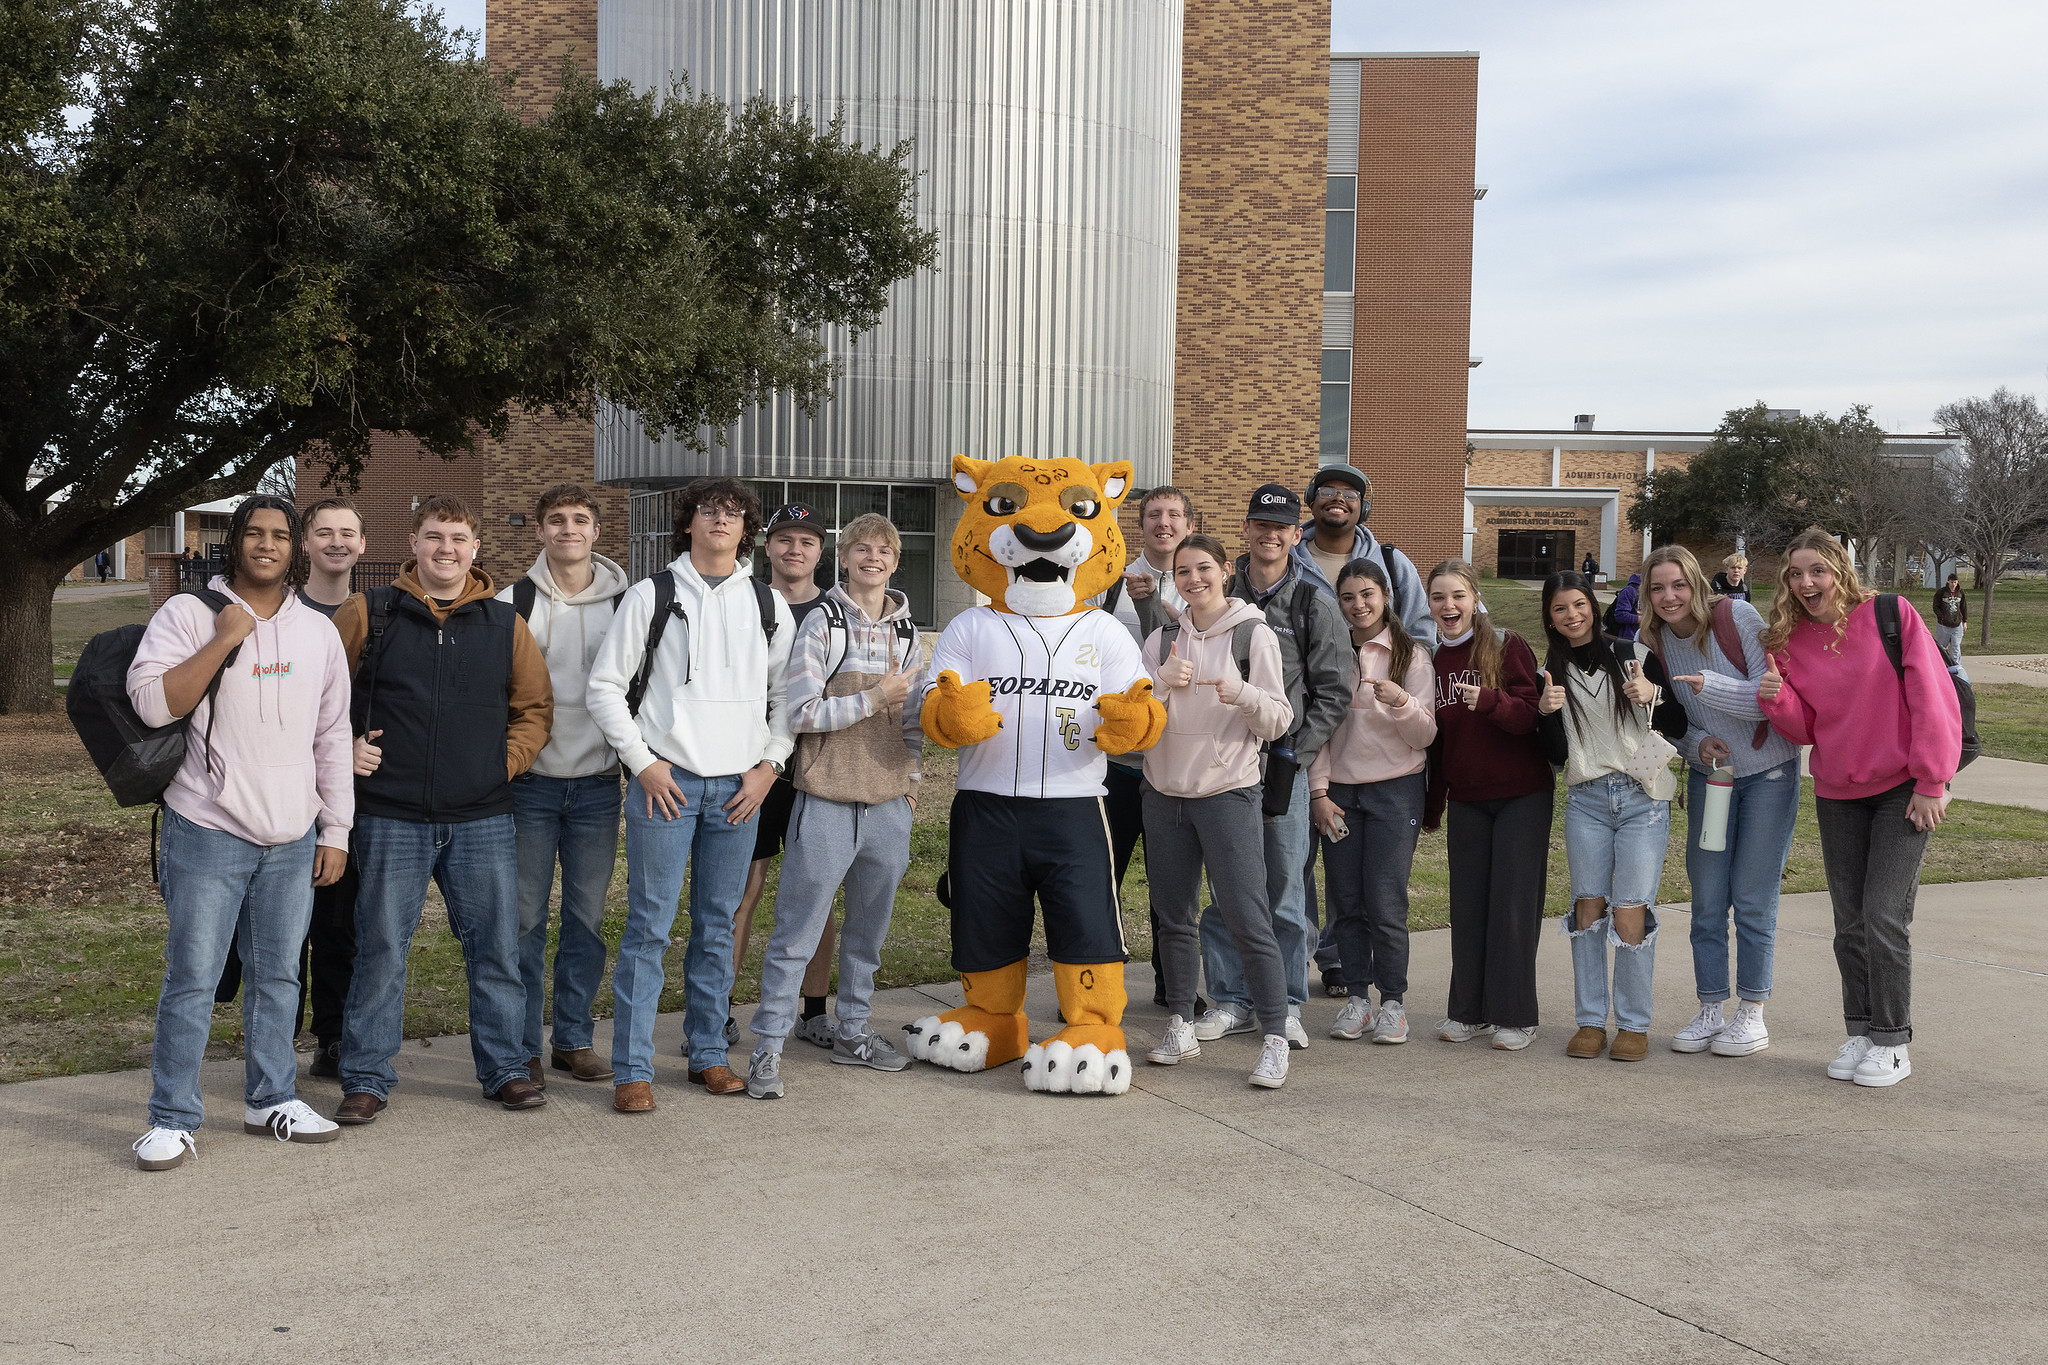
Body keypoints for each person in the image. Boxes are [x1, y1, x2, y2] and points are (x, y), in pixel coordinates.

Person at [125, 495, 353, 1170]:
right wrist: (227, 636)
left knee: (280, 976)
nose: (266, 544)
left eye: (280, 535)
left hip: (292, 836)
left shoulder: (317, 631)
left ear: (297, 549)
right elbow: (151, 701)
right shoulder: (189, 614)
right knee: (193, 977)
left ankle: (271, 1097)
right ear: (235, 542)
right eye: (253, 532)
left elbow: (332, 732)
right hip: (207, 828)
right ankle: (171, 1115)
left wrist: (334, 827)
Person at [330, 495, 555, 1123]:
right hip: (389, 815)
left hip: (480, 817)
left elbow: (535, 709)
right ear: (413, 542)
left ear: (476, 548)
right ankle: (367, 1076)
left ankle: (507, 1068)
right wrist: (343, 746)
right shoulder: (367, 612)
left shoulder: (504, 623)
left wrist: (501, 763)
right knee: (380, 948)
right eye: (434, 537)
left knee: (495, 950)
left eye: (458, 538)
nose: (446, 549)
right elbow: (318, 695)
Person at [586, 478, 794, 1110]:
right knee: (649, 928)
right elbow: (605, 688)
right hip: (666, 785)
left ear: (746, 528)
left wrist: (768, 768)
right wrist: (644, 764)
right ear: (688, 524)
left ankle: (707, 1055)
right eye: (710, 513)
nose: (721, 523)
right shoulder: (652, 595)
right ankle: (632, 1070)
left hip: (739, 789)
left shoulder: (768, 604)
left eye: (734, 515)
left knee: (716, 926)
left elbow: (786, 699)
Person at [1758, 528, 1960, 1088]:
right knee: (1848, 922)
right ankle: (1861, 1027)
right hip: (1837, 792)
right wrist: (1776, 699)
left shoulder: (1890, 615)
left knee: (1882, 914)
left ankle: (1892, 1041)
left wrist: (1931, 780)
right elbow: (1805, 728)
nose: (1806, 583)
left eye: (1817, 571)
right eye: (1795, 574)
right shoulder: (1785, 640)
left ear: (1839, 570)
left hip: (1902, 787)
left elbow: (1932, 697)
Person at [745, 515, 927, 1098]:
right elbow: (799, 713)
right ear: (842, 559)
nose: (872, 558)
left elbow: (914, 721)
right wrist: (875, 698)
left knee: (867, 934)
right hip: (824, 798)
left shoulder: (908, 634)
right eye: (860, 550)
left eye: (883, 551)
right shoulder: (824, 622)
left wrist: (913, 779)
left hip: (887, 805)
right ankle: (767, 1049)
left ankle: (853, 1032)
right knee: (796, 932)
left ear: (896, 561)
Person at [1197, 484, 1352, 1046]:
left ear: (1295, 533)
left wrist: (1296, 752)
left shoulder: (1314, 600)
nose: (1270, 535)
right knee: (1226, 889)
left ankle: (1284, 1003)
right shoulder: (1218, 592)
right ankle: (1232, 998)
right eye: (1261, 525)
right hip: (1220, 766)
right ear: (1247, 529)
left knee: (1286, 887)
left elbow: (1335, 690)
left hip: (1281, 767)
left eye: (1282, 526)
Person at [1140, 535, 1297, 1088]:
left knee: (1248, 918)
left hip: (1229, 793)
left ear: (1226, 571)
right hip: (1163, 794)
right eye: (1183, 571)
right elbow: (1137, 723)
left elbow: (1279, 720)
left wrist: (1242, 693)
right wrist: (1160, 685)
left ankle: (1275, 1036)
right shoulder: (1161, 640)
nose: (1193, 579)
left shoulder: (1254, 635)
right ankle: (1180, 1021)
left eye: (1204, 568)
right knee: (1173, 917)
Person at [1638, 545, 1800, 1059]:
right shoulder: (1654, 642)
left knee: (1752, 898)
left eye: (1678, 585)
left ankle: (1751, 1012)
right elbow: (1671, 723)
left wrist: (1708, 686)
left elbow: (1765, 697)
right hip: (1712, 779)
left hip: (1769, 774)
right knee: (1707, 899)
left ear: (1697, 585)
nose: (1669, 597)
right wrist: (1694, 746)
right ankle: (1710, 1007)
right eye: (1658, 588)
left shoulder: (1737, 616)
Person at [495, 484, 629, 1087]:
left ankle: (572, 1039)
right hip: (531, 785)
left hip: (599, 784)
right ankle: (522, 1045)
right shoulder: (512, 601)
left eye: (579, 519)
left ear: (596, 531)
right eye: (556, 520)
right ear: (542, 531)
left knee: (586, 918)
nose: (568, 529)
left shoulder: (630, 603)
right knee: (522, 920)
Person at [1534, 570, 1688, 1063]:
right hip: (1588, 802)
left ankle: (1634, 1024)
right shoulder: (1552, 671)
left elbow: (1678, 726)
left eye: (1578, 604)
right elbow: (1556, 754)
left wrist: (1653, 697)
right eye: (1560, 609)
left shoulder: (1634, 656)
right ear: (1551, 618)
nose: (1572, 615)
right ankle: (1589, 1022)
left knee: (1630, 910)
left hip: (1641, 797)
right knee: (1587, 909)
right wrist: (1545, 712)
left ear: (1592, 605)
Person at [1290, 465, 1432, 993]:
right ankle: (1312, 966)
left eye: (1350, 493)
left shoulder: (1391, 563)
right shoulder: (1291, 557)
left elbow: (1424, 630)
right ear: (1311, 501)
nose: (1338, 499)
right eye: (1327, 491)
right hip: (1314, 742)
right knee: (1315, 873)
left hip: (1388, 767)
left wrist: (1399, 679)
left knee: (1378, 892)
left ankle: (1363, 980)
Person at [1423, 560, 1553, 1051]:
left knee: (1513, 908)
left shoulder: (1505, 644)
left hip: (1522, 794)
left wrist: (1491, 701)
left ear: (1475, 597)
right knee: (1469, 906)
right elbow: (1437, 744)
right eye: (1438, 598)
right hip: (1469, 800)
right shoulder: (1433, 660)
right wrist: (1435, 806)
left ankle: (1515, 1015)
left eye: (1457, 595)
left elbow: (1529, 714)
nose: (1448, 606)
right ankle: (1467, 1012)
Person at [1310, 558, 1436, 1044]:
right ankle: (1358, 998)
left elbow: (1425, 735)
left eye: (1367, 594)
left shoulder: (1412, 657)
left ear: (1385, 596)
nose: (1358, 605)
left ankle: (1393, 1003)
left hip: (1394, 789)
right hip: (1340, 794)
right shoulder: (1330, 652)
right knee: (1346, 901)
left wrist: (1401, 702)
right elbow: (1318, 731)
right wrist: (1319, 792)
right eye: (1348, 597)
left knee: (1385, 900)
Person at [730, 504, 835, 1048]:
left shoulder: (839, 612)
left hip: (820, 771)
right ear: (766, 546)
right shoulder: (743, 602)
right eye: (785, 540)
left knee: (816, 894)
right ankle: (720, 1008)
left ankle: (814, 1011)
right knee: (741, 890)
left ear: (821, 551)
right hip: (754, 768)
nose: (795, 550)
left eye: (807, 541)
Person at [1095, 486, 1191, 1006]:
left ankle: (1170, 984)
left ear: (1189, 525)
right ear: (1141, 525)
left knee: (1171, 884)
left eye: (1174, 514)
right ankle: (1096, 981)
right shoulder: (1111, 584)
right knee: (1101, 875)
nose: (1164, 523)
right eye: (1154, 514)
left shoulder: (1203, 585)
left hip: (1174, 762)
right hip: (1117, 764)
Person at [296, 497, 368, 1077]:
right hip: (289, 792)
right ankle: (272, 1038)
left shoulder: (381, 615)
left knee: (338, 923)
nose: (336, 542)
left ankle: (333, 1035)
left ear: (362, 545)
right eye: (324, 532)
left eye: (348, 533)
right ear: (305, 543)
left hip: (354, 798)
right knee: (283, 927)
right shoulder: (282, 612)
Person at [1932, 571, 1967, 671]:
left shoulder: (1961, 593)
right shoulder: (1941, 593)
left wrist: (1964, 621)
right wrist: (1941, 617)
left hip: (1957, 624)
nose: (1953, 584)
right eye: (1952, 582)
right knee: (1942, 647)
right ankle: (1940, 666)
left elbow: (1964, 607)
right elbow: (1935, 606)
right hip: (1943, 625)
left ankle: (1956, 667)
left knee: (1956, 647)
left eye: (1955, 582)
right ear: (1948, 582)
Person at [1611, 571, 1643, 641]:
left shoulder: (1651, 591)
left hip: (1644, 636)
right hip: (1628, 638)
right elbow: (1620, 615)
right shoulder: (1629, 591)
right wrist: (1641, 619)